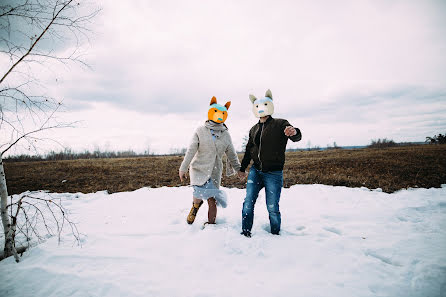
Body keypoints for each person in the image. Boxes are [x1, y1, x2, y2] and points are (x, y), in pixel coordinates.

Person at [237, 89, 302, 237]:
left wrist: (294, 132)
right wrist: (242, 168)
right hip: (256, 171)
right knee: (248, 202)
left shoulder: (281, 124)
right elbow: (248, 150)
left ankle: (275, 234)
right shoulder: (253, 129)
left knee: (272, 207)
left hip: (273, 173)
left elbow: (296, 136)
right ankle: (245, 233)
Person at [179, 96, 241, 225]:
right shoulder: (200, 130)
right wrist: (183, 168)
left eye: (222, 114)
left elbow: (231, 154)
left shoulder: (225, 134)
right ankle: (195, 206)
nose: (219, 116)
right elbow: (191, 150)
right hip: (199, 168)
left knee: (212, 200)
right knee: (198, 193)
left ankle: (211, 224)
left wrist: (239, 169)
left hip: (214, 171)